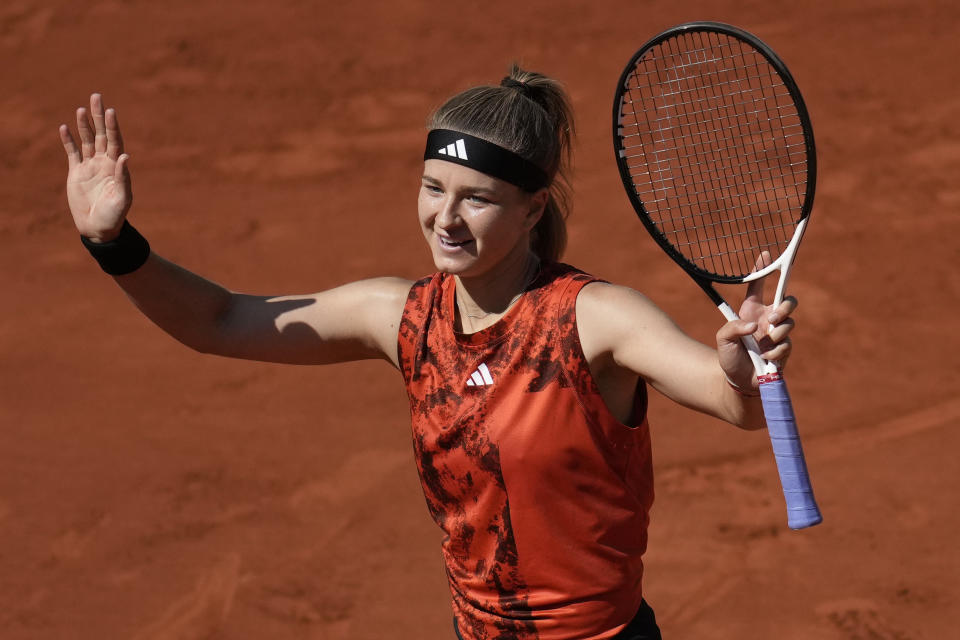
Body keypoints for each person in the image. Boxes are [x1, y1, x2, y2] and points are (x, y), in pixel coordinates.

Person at [59, 65, 796, 640]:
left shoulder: (592, 318)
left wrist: (741, 360)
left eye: (475, 198)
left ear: (533, 208)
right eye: (432, 187)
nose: (445, 217)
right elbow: (219, 322)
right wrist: (114, 246)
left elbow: (733, 402)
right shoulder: (402, 316)